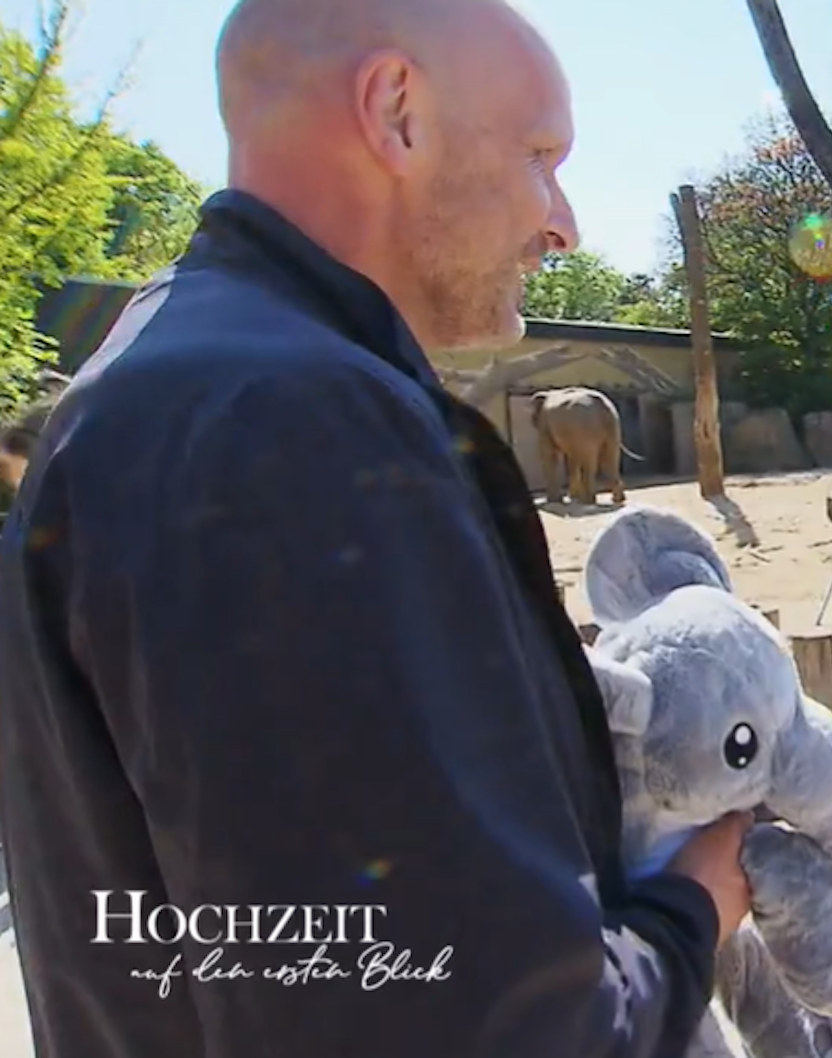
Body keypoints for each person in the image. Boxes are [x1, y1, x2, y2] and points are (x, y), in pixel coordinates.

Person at [0, 1, 751, 1055]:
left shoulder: (155, 379)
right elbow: (479, 1023)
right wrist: (691, 910)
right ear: (397, 112)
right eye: (541, 155)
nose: (563, 221)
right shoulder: (288, 427)